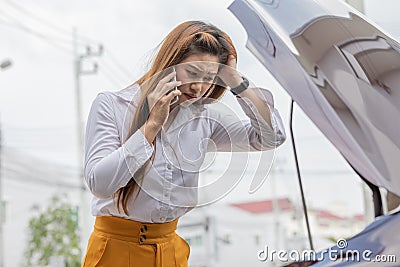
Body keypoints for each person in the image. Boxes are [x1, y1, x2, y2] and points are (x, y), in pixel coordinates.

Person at [82, 20, 286, 267]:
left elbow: (271, 136)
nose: (199, 87)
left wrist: (236, 81)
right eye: (192, 73)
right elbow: (100, 184)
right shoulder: (112, 106)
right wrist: (150, 128)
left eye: (209, 78)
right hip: (116, 250)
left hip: (172, 252)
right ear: (169, 64)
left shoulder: (204, 117)